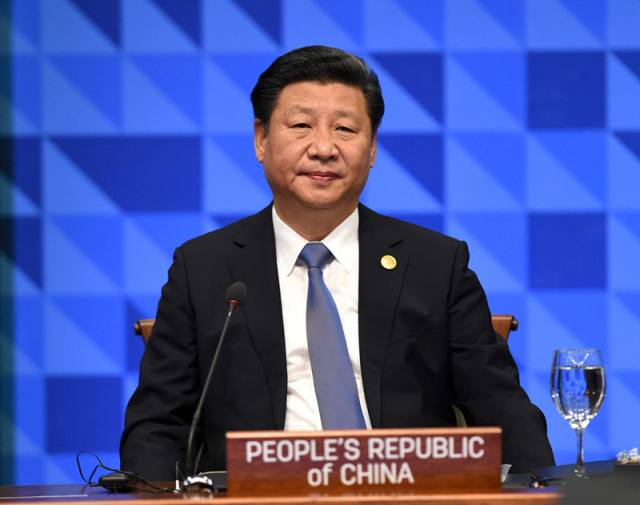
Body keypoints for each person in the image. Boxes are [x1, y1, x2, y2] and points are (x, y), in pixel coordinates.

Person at [120, 45, 554, 480]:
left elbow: (500, 406)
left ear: (372, 147)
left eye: (345, 129)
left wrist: (544, 492)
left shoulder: (436, 264)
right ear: (261, 139)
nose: (324, 148)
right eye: (301, 126)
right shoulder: (203, 269)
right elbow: (156, 425)